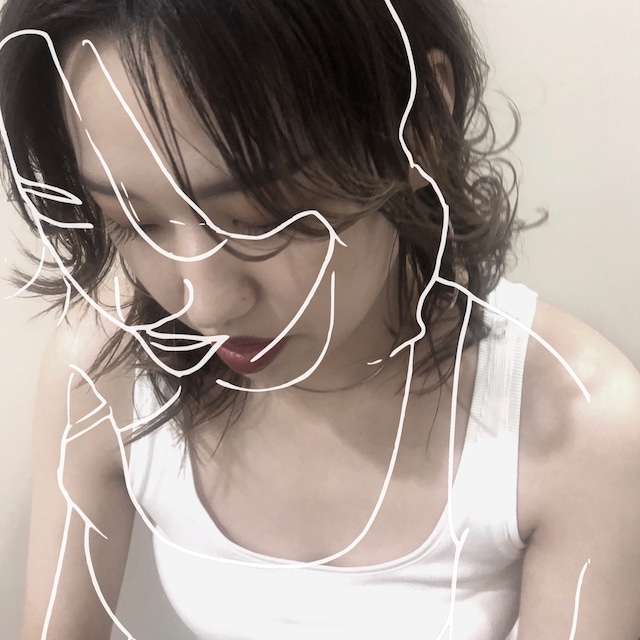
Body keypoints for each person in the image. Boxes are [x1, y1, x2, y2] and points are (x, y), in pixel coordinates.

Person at [1, 1, 639, 638]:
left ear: (417, 124)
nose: (204, 307)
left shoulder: (578, 424)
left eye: (261, 217)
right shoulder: (104, 370)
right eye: (134, 222)